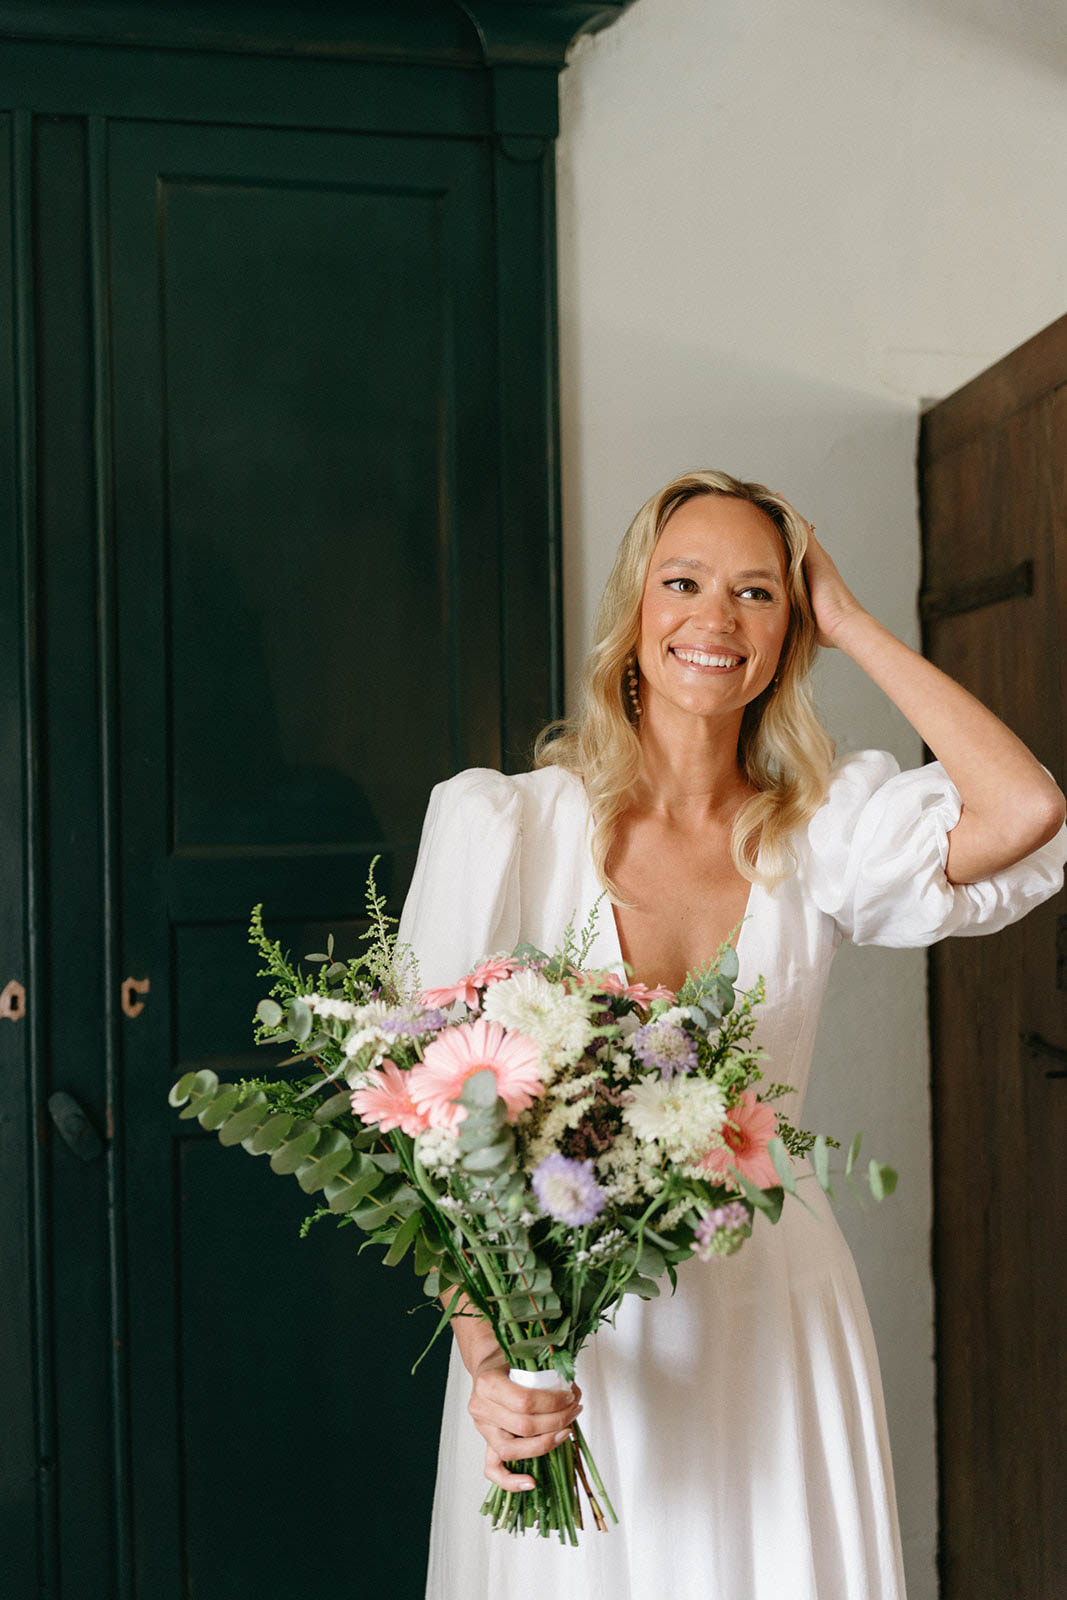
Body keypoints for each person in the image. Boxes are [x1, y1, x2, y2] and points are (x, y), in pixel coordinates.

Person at [398, 469, 1067, 1600]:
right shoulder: (505, 826)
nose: (715, 619)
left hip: (774, 1330)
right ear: (635, 612)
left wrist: (850, 621)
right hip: (568, 1342)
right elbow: (432, 1146)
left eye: (758, 593)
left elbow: (1025, 812)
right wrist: (488, 1361)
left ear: (789, 628)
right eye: (684, 582)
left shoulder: (821, 831)